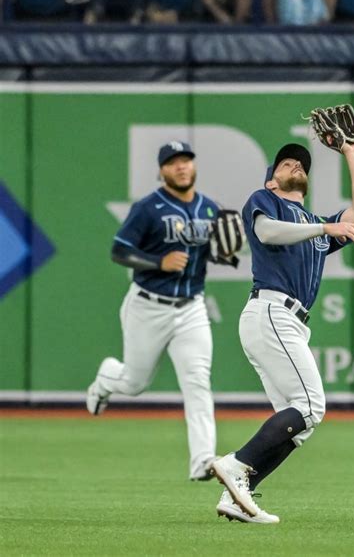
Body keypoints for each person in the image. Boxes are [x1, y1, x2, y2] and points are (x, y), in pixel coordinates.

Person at [211, 109, 354, 523]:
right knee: (311, 405)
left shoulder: (315, 223)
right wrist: (325, 231)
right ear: (272, 179)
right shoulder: (265, 201)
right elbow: (266, 233)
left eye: (300, 162)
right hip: (270, 311)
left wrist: (352, 153)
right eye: (286, 162)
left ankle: (237, 494)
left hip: (287, 322)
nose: (295, 164)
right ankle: (236, 464)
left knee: (299, 422)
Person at [86, 141, 243, 481]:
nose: (181, 167)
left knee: (198, 381)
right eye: (173, 163)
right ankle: (105, 379)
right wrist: (159, 261)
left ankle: (202, 461)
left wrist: (224, 254)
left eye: (186, 160)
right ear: (162, 171)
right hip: (148, 305)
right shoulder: (148, 208)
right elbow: (119, 251)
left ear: (194, 166)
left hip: (192, 308)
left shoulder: (209, 208)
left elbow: (214, 251)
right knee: (134, 382)